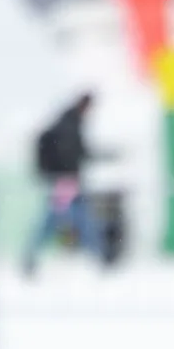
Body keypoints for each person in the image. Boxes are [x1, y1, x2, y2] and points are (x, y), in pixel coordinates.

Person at [23, 93, 109, 274]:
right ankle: (100, 254)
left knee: (58, 218)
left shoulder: (67, 121)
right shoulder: (70, 124)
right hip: (66, 181)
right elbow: (74, 153)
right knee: (78, 217)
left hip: (63, 181)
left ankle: (30, 255)